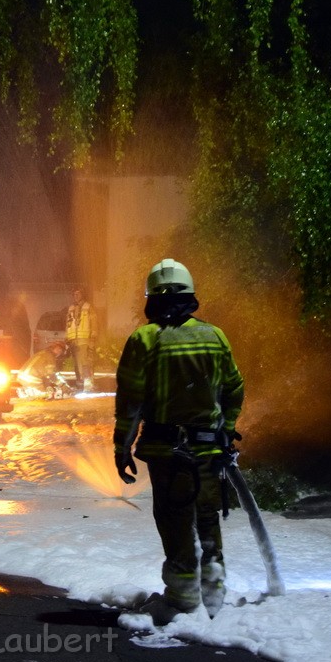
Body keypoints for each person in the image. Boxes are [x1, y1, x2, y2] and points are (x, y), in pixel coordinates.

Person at [113, 259, 245, 623]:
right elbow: (234, 387)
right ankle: (214, 596)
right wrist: (226, 428)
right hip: (208, 450)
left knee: (174, 522)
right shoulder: (215, 335)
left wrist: (122, 447)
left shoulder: (144, 339)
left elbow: (130, 402)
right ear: (190, 295)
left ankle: (183, 601)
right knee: (207, 517)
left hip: (166, 452)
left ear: (151, 298)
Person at [64, 286, 97, 392]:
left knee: (84, 362)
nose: (76, 296)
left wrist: (93, 337)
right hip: (73, 340)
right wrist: (67, 337)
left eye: (78, 293)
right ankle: (80, 384)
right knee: (76, 364)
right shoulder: (71, 308)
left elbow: (94, 322)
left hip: (84, 339)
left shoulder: (88, 307)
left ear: (83, 294)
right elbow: (68, 324)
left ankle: (88, 384)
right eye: (74, 294)